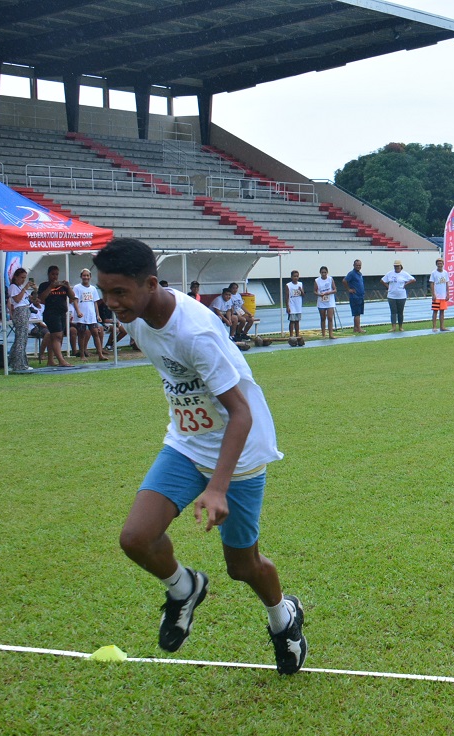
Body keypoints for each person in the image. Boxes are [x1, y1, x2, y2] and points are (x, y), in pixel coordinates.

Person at [92, 237, 306, 675]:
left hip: (239, 453)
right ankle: (183, 587)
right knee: (135, 538)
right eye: (104, 292)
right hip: (187, 445)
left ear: (150, 283)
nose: (110, 303)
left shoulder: (196, 333)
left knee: (242, 566)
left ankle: (283, 618)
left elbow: (240, 413)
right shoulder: (136, 319)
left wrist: (217, 487)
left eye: (119, 292)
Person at [38, 264, 81, 368]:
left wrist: (68, 286)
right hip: (51, 313)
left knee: (57, 337)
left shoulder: (62, 286)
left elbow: (72, 297)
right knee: (57, 336)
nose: (55, 277)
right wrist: (50, 287)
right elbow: (42, 298)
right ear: (48, 274)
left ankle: (51, 360)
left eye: (56, 274)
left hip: (62, 313)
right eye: (53, 274)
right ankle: (61, 360)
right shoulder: (44, 285)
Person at [73, 268, 109, 361]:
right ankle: (82, 355)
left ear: (90, 277)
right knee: (81, 334)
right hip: (82, 315)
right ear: (81, 276)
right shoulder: (77, 287)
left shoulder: (93, 288)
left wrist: (98, 315)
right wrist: (78, 312)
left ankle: (100, 354)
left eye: (87, 275)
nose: (86, 277)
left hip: (91, 315)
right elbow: (75, 301)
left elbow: (95, 303)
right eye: (84, 275)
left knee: (95, 333)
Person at [6, 267, 35, 373]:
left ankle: (13, 362)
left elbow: (29, 300)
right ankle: (19, 364)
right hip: (20, 312)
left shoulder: (19, 287)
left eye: (25, 278)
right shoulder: (13, 287)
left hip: (26, 310)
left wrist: (34, 291)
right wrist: (25, 288)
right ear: (16, 277)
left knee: (21, 338)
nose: (23, 280)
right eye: (21, 277)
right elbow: (17, 299)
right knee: (21, 339)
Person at [382, 260, 415, 332]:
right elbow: (382, 280)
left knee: (400, 312)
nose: (397, 267)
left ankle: (400, 327)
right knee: (393, 312)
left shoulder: (404, 274)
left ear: (401, 266)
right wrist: (388, 287)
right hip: (391, 296)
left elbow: (413, 279)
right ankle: (393, 327)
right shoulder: (390, 273)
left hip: (401, 296)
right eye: (395, 266)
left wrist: (406, 284)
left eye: (398, 266)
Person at [343, 259, 366, 333]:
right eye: (357, 265)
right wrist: (349, 289)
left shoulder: (360, 274)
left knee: (358, 313)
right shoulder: (351, 273)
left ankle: (355, 328)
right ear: (354, 265)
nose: (358, 267)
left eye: (359, 265)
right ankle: (359, 328)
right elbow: (344, 281)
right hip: (355, 296)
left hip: (360, 296)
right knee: (357, 313)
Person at [429, 257, 450, 332]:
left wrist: (448, 293)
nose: (440, 265)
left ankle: (442, 326)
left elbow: (447, 283)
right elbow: (431, 283)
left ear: (443, 264)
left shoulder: (445, 273)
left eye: (441, 263)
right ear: (436, 264)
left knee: (442, 311)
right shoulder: (434, 273)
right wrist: (433, 294)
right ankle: (434, 327)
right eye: (438, 263)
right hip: (437, 295)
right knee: (435, 311)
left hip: (443, 295)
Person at [315, 266, 337, 338]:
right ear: (320, 273)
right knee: (323, 317)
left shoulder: (330, 279)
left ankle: (331, 334)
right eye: (322, 272)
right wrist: (319, 294)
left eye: (325, 272)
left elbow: (335, 290)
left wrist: (328, 292)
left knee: (330, 317)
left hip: (330, 301)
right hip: (321, 301)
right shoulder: (317, 280)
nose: (324, 274)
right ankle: (323, 334)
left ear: (327, 272)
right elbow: (315, 291)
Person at [285, 270, 305, 340]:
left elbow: (303, 295)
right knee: (292, 321)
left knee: (297, 321)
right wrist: (287, 306)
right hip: (292, 305)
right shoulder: (288, 285)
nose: (296, 278)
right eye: (294, 276)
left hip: (298, 306)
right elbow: (287, 296)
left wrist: (301, 290)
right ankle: (291, 335)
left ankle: (297, 334)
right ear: (291, 277)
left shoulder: (300, 284)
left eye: (297, 276)